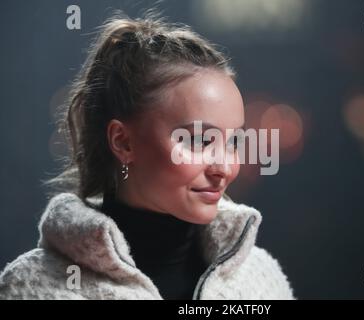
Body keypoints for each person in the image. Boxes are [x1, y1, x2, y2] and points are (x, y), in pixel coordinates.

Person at [0, 11, 295, 300]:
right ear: (123, 142)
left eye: (233, 142)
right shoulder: (34, 289)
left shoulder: (259, 278)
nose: (225, 168)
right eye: (198, 141)